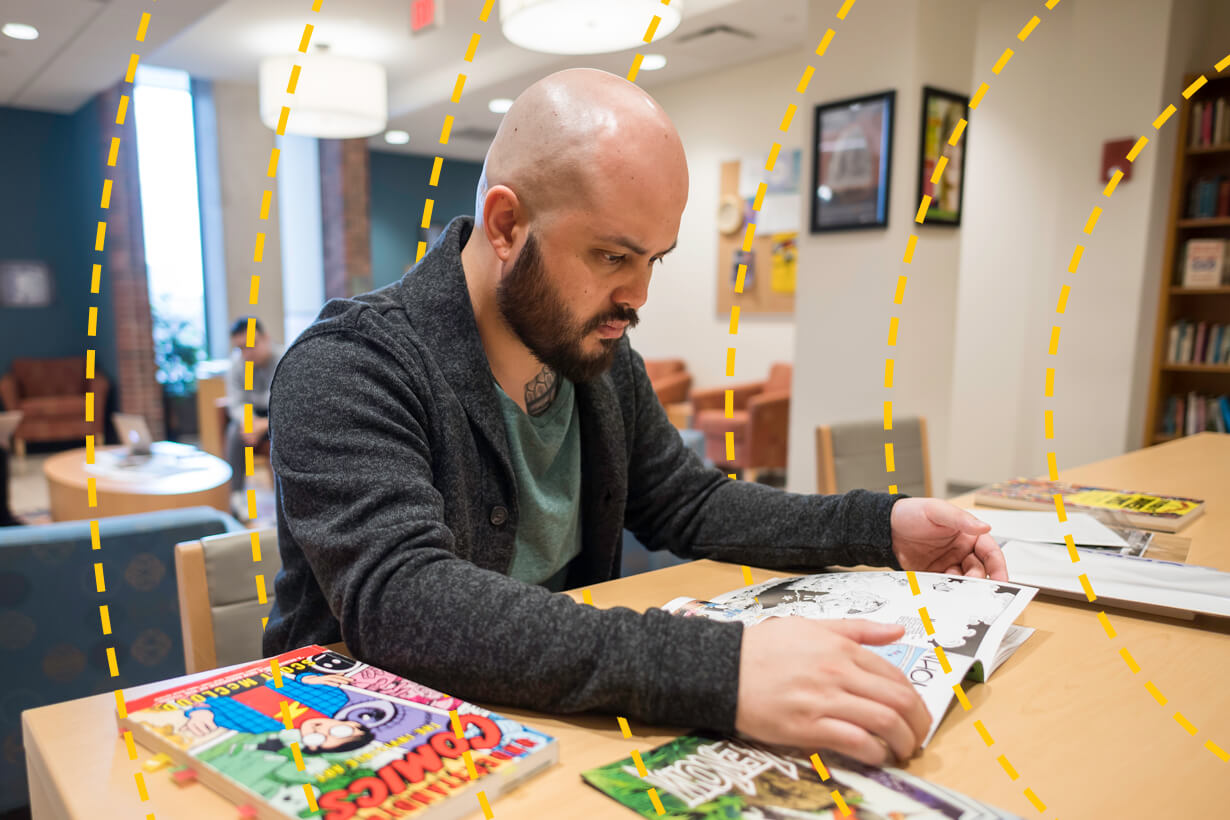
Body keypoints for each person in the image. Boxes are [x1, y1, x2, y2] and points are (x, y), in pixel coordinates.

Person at [264, 68, 1008, 768]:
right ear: (505, 224)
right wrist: (722, 669)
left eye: (655, 259)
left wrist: (878, 527)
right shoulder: (348, 367)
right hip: (359, 745)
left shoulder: (596, 355)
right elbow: (402, 601)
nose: (638, 296)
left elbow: (689, 500)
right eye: (613, 256)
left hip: (547, 721)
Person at [226, 317, 282, 520]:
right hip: (252, 417)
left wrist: (265, 425)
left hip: (279, 416)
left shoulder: (284, 359)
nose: (247, 353)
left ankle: (283, 501)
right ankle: (238, 496)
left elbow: (288, 404)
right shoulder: (237, 366)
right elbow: (235, 402)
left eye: (251, 345)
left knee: (284, 432)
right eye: (241, 348)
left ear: (266, 338)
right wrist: (249, 422)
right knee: (234, 432)